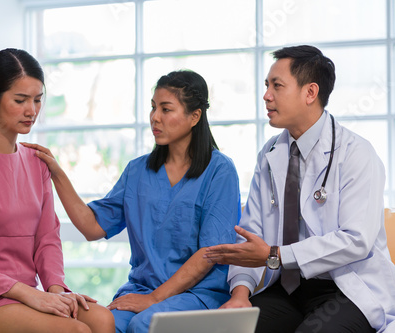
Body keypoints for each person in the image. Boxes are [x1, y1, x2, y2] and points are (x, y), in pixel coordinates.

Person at [22, 70, 241, 333]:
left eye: (166, 109)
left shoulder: (220, 171)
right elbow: (92, 227)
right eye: (153, 108)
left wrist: (155, 299)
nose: (154, 117)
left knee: (144, 324)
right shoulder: (138, 171)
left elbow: (210, 254)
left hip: (198, 294)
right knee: (101, 325)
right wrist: (57, 173)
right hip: (142, 290)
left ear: (194, 116)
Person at [203, 45, 395, 332]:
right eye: (267, 86)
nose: (267, 95)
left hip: (345, 290)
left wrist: (276, 255)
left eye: (277, 86)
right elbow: (251, 234)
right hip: (288, 289)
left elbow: (357, 240)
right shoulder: (270, 155)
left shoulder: (356, 154)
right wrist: (241, 293)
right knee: (231, 328)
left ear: (310, 93)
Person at [0, 48, 114, 333]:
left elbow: (47, 238)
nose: (32, 111)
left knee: (102, 319)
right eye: (20, 100)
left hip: (24, 291)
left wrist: (54, 289)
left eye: (38, 100)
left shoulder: (37, 162)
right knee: (75, 331)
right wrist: (31, 295)